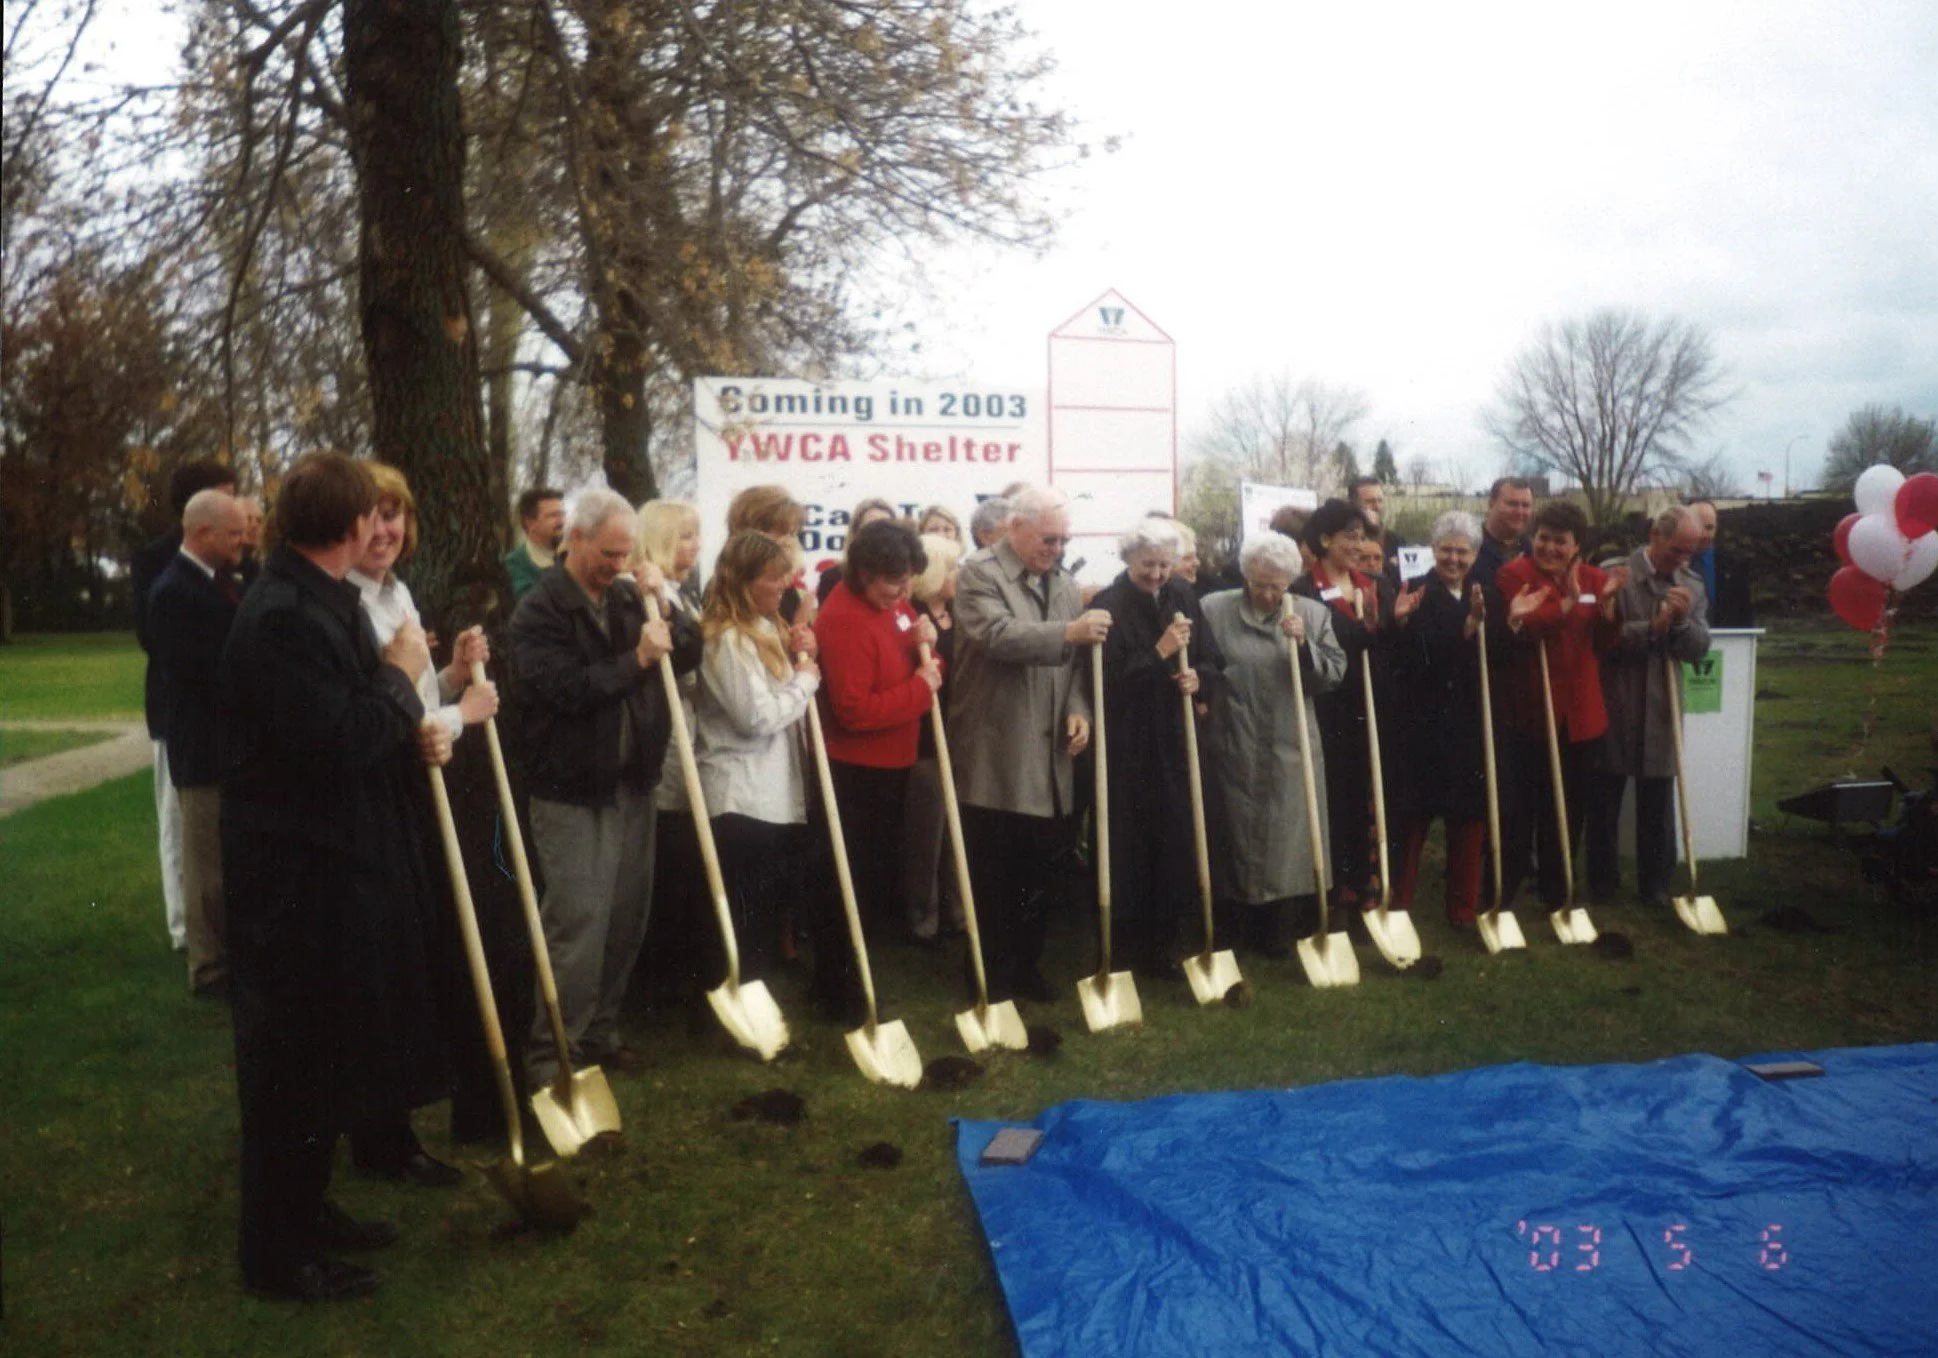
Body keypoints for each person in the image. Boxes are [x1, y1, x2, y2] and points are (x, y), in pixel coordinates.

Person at [219, 451, 446, 1302]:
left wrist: (402, 702)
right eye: (371, 521)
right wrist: (399, 677)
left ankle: (308, 1213)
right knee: (290, 1068)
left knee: (323, 1059)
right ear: (351, 527)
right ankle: (277, 1256)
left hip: (336, 866)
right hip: (296, 882)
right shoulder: (284, 616)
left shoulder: (321, 598)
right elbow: (338, 741)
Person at [510, 488, 700, 1093]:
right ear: (579, 539)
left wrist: (659, 595)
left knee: (625, 918)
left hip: (631, 783)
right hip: (571, 789)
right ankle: (551, 1056)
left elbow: (690, 648)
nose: (617, 564)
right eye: (609, 553)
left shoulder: (626, 596)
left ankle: (599, 1034)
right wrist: (637, 661)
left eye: (626, 555)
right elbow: (566, 689)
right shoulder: (539, 610)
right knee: (578, 922)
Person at [345, 463, 498, 1184]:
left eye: (395, 516)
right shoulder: (346, 604)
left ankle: (397, 1131)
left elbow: (410, 694)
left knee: (416, 963)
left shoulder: (396, 592)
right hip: (377, 798)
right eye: (373, 517)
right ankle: (383, 1135)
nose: (386, 531)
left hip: (413, 792)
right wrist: (460, 716)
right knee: (381, 971)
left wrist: (450, 678)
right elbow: (390, 721)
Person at [949, 485, 1104, 1002]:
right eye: (1048, 539)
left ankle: (1027, 967)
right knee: (995, 867)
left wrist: (1078, 707)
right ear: (1015, 529)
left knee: (1039, 869)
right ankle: (987, 973)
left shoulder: (1062, 583)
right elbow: (997, 635)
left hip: (1050, 755)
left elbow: (1075, 665)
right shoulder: (978, 574)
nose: (1057, 549)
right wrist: (1069, 632)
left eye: (1063, 540)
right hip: (998, 749)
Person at [809, 520, 941, 1017]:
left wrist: (927, 649)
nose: (903, 591)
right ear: (864, 573)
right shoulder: (843, 619)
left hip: (893, 763)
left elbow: (923, 663)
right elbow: (854, 711)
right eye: (893, 581)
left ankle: (852, 977)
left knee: (872, 881)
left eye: (908, 580)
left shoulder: (897, 606)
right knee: (846, 882)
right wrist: (920, 689)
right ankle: (837, 988)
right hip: (854, 771)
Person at [1200, 531, 1345, 953]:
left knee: (1285, 835)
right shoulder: (1214, 609)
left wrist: (1303, 645)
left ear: (1291, 582)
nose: (1266, 594)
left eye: (1277, 586)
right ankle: (1229, 925)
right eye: (1258, 583)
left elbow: (1334, 674)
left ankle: (1275, 928)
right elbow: (1201, 662)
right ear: (1245, 575)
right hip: (1232, 737)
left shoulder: (1313, 614)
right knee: (1232, 829)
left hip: (1289, 740)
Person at [1092, 518, 1224, 978]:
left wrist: (1199, 677)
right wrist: (1160, 652)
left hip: (1175, 732)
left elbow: (1211, 657)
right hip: (1129, 740)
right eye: (1147, 564)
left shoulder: (1183, 596)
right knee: (1132, 838)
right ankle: (1126, 943)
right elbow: (1105, 682)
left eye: (1164, 564)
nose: (1155, 574)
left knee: (1176, 832)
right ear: (1129, 560)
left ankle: (1165, 941)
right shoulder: (1109, 606)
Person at [693, 531, 822, 986]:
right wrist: (805, 682)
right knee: (740, 916)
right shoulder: (727, 639)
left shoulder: (767, 630)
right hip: (739, 793)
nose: (783, 588)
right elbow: (754, 717)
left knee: (763, 914)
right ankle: (728, 1004)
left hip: (773, 794)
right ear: (745, 580)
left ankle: (753, 999)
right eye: (773, 580)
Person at [1492, 501, 1625, 912]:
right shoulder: (1515, 575)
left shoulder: (1595, 578)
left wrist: (1607, 614)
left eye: (1560, 541)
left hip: (1581, 716)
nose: (1550, 548)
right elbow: (1524, 628)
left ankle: (1557, 891)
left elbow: (1604, 645)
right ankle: (1504, 890)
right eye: (1543, 538)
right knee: (1520, 808)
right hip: (1530, 711)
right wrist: (1565, 606)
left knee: (1568, 809)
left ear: (1577, 545)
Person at [133, 456, 238, 954]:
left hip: (215, 711)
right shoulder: (158, 561)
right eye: (225, 492)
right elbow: (152, 636)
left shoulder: (232, 561)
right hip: (178, 707)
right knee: (177, 822)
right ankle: (183, 927)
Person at [148, 488, 248, 997]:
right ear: (201, 533)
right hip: (205, 752)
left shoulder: (218, 583)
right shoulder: (174, 592)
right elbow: (205, 675)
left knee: (227, 863)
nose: (243, 540)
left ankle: (231, 958)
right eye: (234, 533)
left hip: (228, 749)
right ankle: (208, 969)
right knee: (206, 868)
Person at [1588, 506, 1710, 909]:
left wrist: (1679, 624)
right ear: (1655, 535)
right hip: (1616, 701)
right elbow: (1598, 639)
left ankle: (1655, 886)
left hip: (1662, 708)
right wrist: (1651, 629)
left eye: (1689, 553)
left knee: (1657, 801)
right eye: (1676, 551)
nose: (1682, 561)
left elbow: (1699, 648)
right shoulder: (1615, 574)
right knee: (1604, 799)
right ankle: (1602, 883)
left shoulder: (1690, 583)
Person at [1293, 499, 1403, 917]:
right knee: (1338, 796)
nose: (1359, 545)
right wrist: (1364, 628)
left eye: (1363, 537)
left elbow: (1391, 648)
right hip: (1333, 709)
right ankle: (1335, 891)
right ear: (1325, 540)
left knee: (1372, 796)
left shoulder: (1377, 584)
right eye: (1350, 537)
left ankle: (1369, 886)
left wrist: (1394, 623)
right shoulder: (1304, 591)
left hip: (1376, 706)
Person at [1388, 512, 1491, 927]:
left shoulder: (1483, 594)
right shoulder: (1415, 593)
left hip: (1469, 723)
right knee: (1414, 818)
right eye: (1446, 549)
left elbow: (1496, 651)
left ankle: (1463, 909)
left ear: (1475, 554)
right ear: (1432, 551)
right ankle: (1400, 904)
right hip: (1424, 725)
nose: (1453, 559)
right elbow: (1416, 657)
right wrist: (1465, 628)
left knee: (1468, 818)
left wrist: (1503, 623)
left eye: (1462, 551)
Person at [632, 499, 709, 1016]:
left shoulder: (683, 593)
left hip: (690, 725)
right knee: (668, 855)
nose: (694, 546)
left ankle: (679, 973)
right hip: (664, 728)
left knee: (686, 853)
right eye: (683, 537)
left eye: (695, 536)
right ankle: (657, 982)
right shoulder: (643, 592)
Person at [902, 533, 966, 945]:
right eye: (953, 567)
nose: (958, 575)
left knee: (958, 829)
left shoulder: (961, 614)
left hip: (962, 730)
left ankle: (958, 912)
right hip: (927, 734)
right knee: (927, 830)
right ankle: (922, 917)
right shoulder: (913, 615)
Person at [815, 496, 899, 605]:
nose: (880, 534)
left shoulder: (901, 579)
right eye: (871, 527)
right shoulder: (832, 578)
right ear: (856, 533)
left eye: (886, 527)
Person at [1688, 499, 1754, 627]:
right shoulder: (1668, 565)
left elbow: (1745, 617)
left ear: (1716, 528)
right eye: (1698, 526)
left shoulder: (1734, 567)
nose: (1703, 534)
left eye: (1709, 527)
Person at [1471, 476, 1534, 593]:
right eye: (1512, 504)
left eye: (1525, 505)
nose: (1520, 512)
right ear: (1491, 504)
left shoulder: (1535, 549)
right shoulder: (1470, 547)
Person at [503, 486, 565, 599]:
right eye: (553, 516)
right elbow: (533, 606)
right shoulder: (515, 564)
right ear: (530, 523)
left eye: (562, 514)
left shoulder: (573, 555)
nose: (562, 521)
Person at [1350, 475, 1404, 574]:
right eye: (1370, 501)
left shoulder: (1396, 540)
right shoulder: (1346, 543)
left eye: (1380, 501)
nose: (1377, 507)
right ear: (1353, 504)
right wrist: (1390, 565)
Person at [236, 494, 265, 588]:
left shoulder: (263, 570)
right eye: (248, 519)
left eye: (259, 520)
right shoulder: (220, 566)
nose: (255, 525)